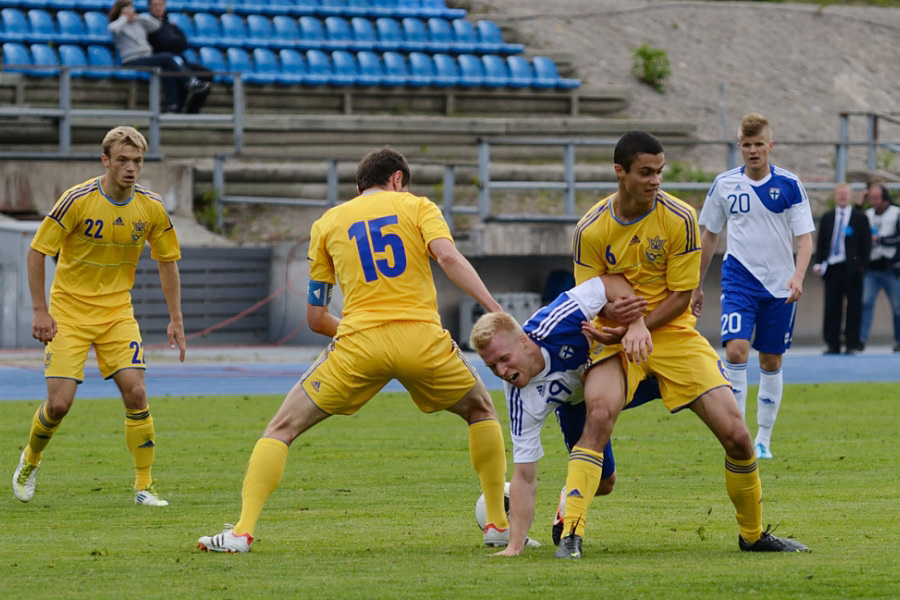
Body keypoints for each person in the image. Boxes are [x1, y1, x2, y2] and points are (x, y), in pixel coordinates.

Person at [198, 148, 511, 553]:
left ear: (359, 185)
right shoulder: (418, 207)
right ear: (398, 179)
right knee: (481, 410)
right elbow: (448, 256)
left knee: (280, 429)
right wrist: (497, 311)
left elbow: (315, 316)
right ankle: (499, 527)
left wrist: (360, 332)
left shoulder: (328, 223)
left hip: (359, 343)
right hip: (422, 339)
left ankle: (241, 532)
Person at [556, 130, 808, 559]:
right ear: (620, 172)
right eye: (645, 172)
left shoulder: (681, 218)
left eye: (660, 171)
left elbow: (680, 296)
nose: (655, 181)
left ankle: (753, 535)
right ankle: (572, 534)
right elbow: (591, 296)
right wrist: (623, 327)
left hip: (672, 333)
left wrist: (639, 325)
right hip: (613, 338)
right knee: (598, 416)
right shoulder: (591, 228)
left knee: (737, 436)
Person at [13, 126, 186, 506]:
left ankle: (143, 487)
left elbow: (168, 261)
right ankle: (30, 459)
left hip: (116, 312)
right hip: (69, 313)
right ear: (105, 161)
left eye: (137, 161)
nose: (130, 168)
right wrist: (41, 310)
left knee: (137, 393)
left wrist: (176, 319)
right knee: (59, 404)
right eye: (122, 160)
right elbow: (36, 251)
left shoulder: (151, 206)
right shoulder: (76, 200)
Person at [469, 274, 660, 556]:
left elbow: (608, 283)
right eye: (492, 366)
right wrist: (514, 546)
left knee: (679, 382)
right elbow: (524, 476)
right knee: (606, 482)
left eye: (504, 359)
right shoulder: (520, 398)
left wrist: (636, 323)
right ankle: (566, 501)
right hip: (575, 406)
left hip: (617, 364)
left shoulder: (558, 319)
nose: (502, 372)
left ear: (523, 341)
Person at [693, 113, 814, 460]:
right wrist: (696, 285)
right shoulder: (724, 185)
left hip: (780, 285)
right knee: (735, 351)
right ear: (739, 147)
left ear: (770, 146)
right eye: (746, 145)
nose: (753, 150)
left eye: (759, 144)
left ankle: (763, 438)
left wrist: (798, 276)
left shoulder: (789, 185)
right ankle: (739, 434)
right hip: (739, 279)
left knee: (771, 360)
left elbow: (805, 239)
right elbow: (710, 235)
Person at [107, 0, 209, 113]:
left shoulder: (138, 22)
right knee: (167, 57)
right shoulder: (118, 25)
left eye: (131, 8)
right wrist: (124, 18)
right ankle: (190, 82)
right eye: (126, 9)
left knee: (167, 70)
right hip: (132, 60)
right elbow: (113, 28)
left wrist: (139, 17)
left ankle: (172, 106)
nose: (130, 11)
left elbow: (156, 25)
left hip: (146, 57)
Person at [812, 183, 871, 354]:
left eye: (845, 193)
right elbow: (822, 242)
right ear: (835, 196)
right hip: (832, 267)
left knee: (854, 306)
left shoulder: (860, 217)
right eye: (840, 194)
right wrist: (819, 263)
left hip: (852, 268)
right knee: (832, 307)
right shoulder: (828, 217)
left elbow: (866, 244)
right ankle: (832, 343)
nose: (843, 196)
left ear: (851, 196)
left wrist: (861, 266)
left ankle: (852, 343)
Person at [146, 0, 212, 114]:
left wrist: (170, 42)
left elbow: (184, 43)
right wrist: (173, 42)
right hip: (163, 62)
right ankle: (174, 108)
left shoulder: (170, 24)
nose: (158, 8)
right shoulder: (148, 24)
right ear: (149, 7)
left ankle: (193, 110)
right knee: (174, 73)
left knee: (206, 73)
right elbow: (159, 43)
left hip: (180, 60)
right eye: (155, 5)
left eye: (160, 5)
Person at [860, 182, 900, 352]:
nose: (874, 201)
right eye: (872, 198)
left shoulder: (896, 212)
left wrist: (881, 240)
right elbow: (853, 224)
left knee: (898, 306)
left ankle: (899, 340)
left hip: (891, 268)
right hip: (872, 267)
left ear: (884, 197)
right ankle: (860, 340)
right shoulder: (867, 214)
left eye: (877, 198)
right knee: (865, 303)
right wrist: (860, 203)